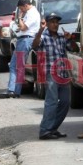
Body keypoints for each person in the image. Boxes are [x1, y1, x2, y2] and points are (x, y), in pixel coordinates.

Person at [33, 12, 77, 140]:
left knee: (65, 102)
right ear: (47, 24)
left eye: (57, 22)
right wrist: (40, 30)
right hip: (50, 73)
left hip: (63, 74)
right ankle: (45, 130)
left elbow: (73, 49)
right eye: (52, 22)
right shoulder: (43, 37)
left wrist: (70, 39)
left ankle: (52, 128)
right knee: (51, 102)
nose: (55, 24)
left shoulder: (61, 37)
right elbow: (35, 45)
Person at [0, 0, 40, 99]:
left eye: (21, 8)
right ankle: (13, 90)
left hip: (26, 40)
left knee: (18, 66)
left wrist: (20, 18)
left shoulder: (33, 13)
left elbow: (24, 27)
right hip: (23, 39)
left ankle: (14, 90)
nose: (21, 10)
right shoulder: (29, 13)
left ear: (25, 5)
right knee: (14, 65)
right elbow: (21, 27)